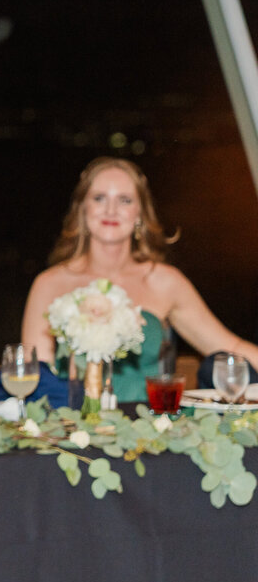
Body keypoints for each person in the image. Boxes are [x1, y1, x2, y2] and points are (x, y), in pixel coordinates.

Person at [21, 157, 258, 402]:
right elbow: (34, 379)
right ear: (83, 208)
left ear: (139, 213)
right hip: (71, 428)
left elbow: (232, 347)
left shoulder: (164, 281)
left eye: (124, 200)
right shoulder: (49, 284)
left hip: (151, 429)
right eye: (99, 198)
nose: (111, 210)